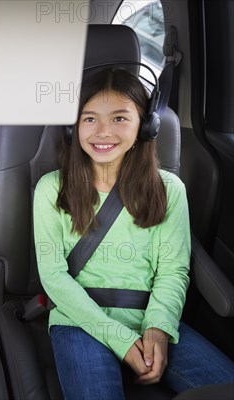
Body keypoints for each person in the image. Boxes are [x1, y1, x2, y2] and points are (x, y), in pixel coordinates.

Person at [33, 68, 234, 399]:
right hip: (79, 321)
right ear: (72, 128)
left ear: (145, 125)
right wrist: (122, 340)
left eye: (119, 119)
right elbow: (53, 277)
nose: (103, 132)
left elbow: (173, 271)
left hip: (151, 318)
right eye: (89, 119)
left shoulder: (169, 190)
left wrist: (157, 330)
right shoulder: (52, 188)